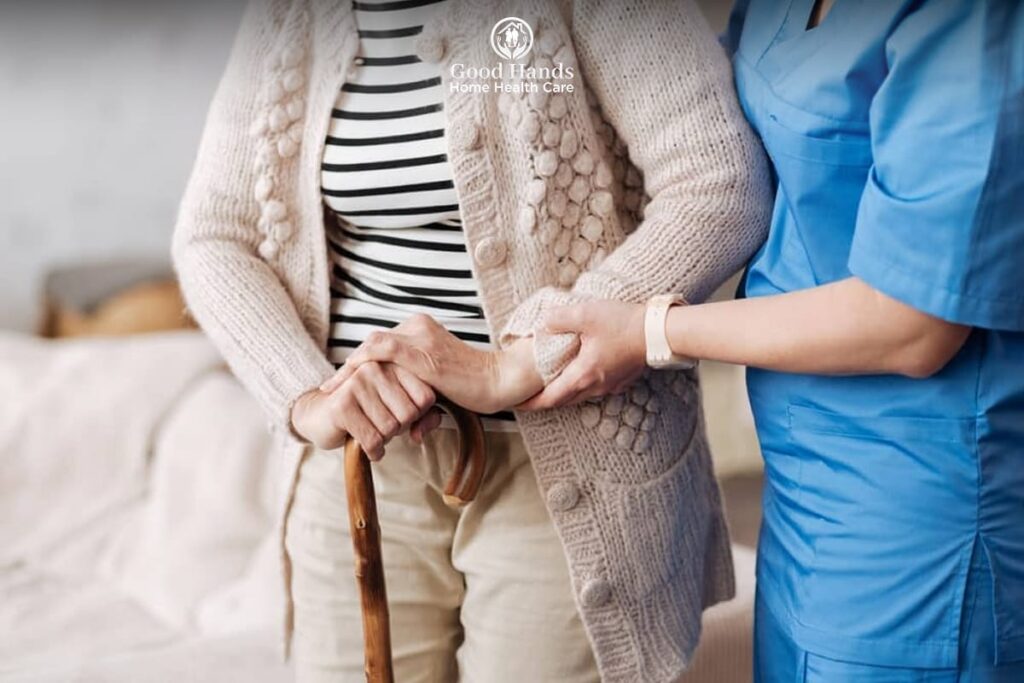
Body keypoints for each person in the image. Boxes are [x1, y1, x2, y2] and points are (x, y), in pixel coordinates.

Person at [388, 0, 1022, 680]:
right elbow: (697, 131)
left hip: (925, 492)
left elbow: (912, 323)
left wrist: (650, 330)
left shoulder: (971, 18)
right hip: (806, 477)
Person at [172, 0, 771, 680]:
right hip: (363, 468)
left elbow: (720, 182)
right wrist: (305, 395)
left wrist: (524, 358)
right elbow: (216, 235)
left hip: (568, 456)